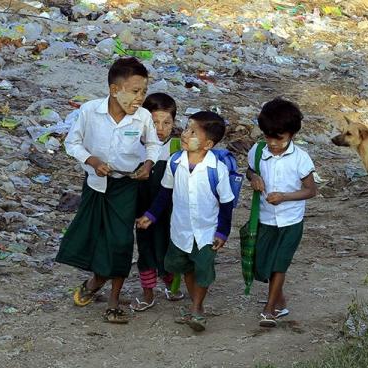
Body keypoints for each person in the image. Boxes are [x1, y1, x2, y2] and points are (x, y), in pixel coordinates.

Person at [56, 57, 161, 324]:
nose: (140, 97)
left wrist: (148, 165)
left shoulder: (143, 117)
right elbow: (73, 143)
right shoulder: (90, 111)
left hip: (126, 185)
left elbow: (153, 145)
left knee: (121, 241)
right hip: (95, 184)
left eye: (144, 91)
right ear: (115, 90)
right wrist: (93, 161)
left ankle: (113, 299)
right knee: (92, 238)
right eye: (135, 91)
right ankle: (93, 282)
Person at [137, 111, 234, 331]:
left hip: (206, 232)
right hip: (180, 230)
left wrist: (222, 232)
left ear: (208, 144)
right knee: (186, 267)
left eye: (192, 131)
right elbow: (165, 193)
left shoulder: (217, 170)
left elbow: (227, 204)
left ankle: (197, 308)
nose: (185, 133)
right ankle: (195, 305)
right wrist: (150, 216)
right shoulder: (174, 162)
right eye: (187, 128)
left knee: (202, 269)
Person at [245, 98, 317, 327]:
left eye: (279, 138)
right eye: (268, 137)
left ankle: (269, 309)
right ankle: (280, 300)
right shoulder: (258, 151)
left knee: (279, 264)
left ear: (291, 135)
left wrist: (285, 197)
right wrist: (254, 177)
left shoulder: (300, 159)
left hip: (290, 221)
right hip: (265, 218)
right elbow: (249, 170)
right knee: (262, 264)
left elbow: (310, 190)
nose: (273, 143)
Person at [131, 93, 184, 312]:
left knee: (169, 248)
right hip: (142, 210)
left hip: (169, 211)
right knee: (146, 250)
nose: (160, 128)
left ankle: (171, 285)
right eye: (154, 123)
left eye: (167, 123)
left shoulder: (176, 148)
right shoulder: (134, 146)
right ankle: (148, 293)